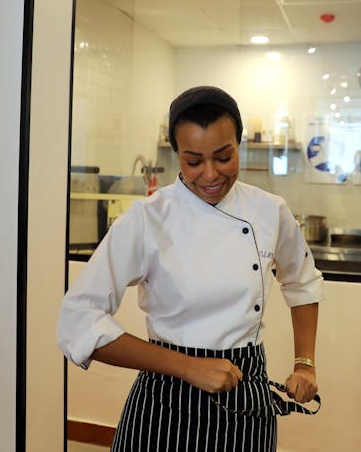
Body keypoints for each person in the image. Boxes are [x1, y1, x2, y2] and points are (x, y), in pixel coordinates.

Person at [57, 85, 324, 452]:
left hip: (245, 396)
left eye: (224, 157)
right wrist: (188, 367)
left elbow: (302, 282)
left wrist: (304, 363)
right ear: (177, 154)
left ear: (239, 144)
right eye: (193, 161)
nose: (210, 174)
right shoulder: (148, 218)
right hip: (166, 402)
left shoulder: (269, 210)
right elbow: (77, 321)